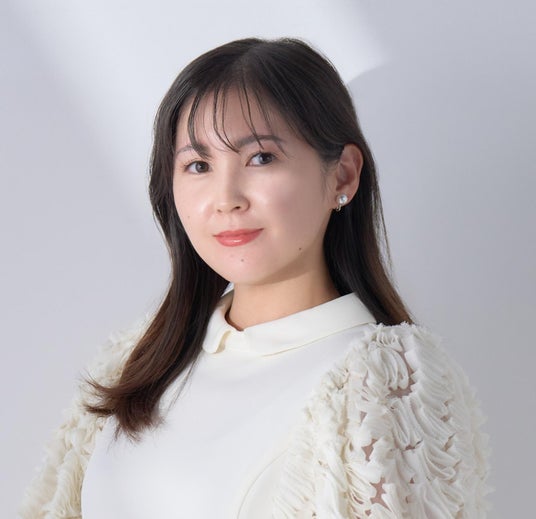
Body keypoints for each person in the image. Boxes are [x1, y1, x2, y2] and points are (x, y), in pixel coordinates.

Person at [20, 37, 489, 518]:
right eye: (198, 165)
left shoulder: (382, 383)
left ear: (343, 176)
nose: (226, 198)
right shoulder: (138, 359)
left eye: (261, 158)